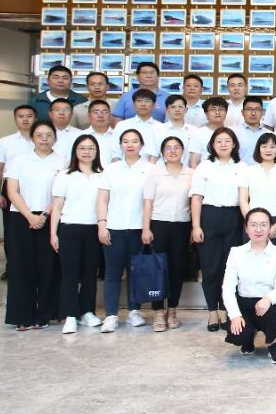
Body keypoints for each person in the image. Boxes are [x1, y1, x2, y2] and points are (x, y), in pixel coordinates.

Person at [3, 120, 65, 330]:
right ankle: (22, 315)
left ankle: (45, 314)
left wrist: (44, 214)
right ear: (32, 138)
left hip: (51, 217)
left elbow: (60, 194)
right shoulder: (18, 160)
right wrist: (30, 216)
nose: (44, 139)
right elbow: (12, 191)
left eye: (49, 135)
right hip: (21, 217)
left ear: (55, 137)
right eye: (39, 135)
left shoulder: (63, 161)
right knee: (21, 267)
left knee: (49, 267)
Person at [97, 129, 156, 331]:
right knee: (112, 273)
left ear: (142, 145)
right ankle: (111, 315)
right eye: (126, 141)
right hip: (114, 227)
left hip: (138, 228)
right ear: (120, 145)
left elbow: (149, 201)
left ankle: (134, 311)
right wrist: (102, 224)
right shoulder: (111, 169)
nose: (130, 145)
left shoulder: (150, 169)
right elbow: (103, 199)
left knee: (136, 272)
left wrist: (147, 228)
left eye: (135, 141)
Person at [190, 127, 246, 332]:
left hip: (233, 218)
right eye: (219, 141)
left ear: (234, 144)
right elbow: (196, 198)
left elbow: (244, 198)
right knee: (210, 267)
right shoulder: (204, 167)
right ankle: (212, 311)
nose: (223, 144)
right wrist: (196, 226)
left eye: (227, 141)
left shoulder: (241, 167)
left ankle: (225, 309)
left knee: (229, 267)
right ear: (212, 145)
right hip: (209, 217)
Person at [50, 135, 105, 333]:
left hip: (94, 230)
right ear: (75, 151)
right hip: (69, 228)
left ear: (96, 151)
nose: (86, 152)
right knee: (70, 274)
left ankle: (87, 312)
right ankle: (70, 315)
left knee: (90, 273)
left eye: (91, 148)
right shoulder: (65, 175)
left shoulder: (103, 175)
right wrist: (53, 233)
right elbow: (57, 206)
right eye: (82, 148)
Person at [222, 208, 276, 364]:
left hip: (268, 303)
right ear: (246, 228)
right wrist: (235, 315)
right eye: (253, 225)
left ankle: (273, 343)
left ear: (270, 227)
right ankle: (248, 337)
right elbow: (227, 288)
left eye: (263, 225)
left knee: (273, 313)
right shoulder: (236, 253)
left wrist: (268, 299)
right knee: (238, 335)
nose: (258, 229)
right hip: (244, 303)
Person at [141, 135, 194, 331]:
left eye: (177, 147)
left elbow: (193, 202)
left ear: (183, 151)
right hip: (158, 225)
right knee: (157, 270)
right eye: (168, 148)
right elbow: (147, 202)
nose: (173, 151)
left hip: (182, 225)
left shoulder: (191, 173)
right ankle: (157, 312)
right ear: (162, 152)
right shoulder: (154, 172)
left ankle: (172, 311)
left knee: (177, 270)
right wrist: (146, 228)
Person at [0, 104, 37, 279]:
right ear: (15, 119)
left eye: (29, 116)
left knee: (37, 228)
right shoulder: (5, 142)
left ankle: (35, 266)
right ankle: (12, 267)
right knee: (12, 231)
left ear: (35, 118)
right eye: (21, 116)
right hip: (11, 188)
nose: (25, 119)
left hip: (37, 189)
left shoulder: (42, 139)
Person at [238, 132, 276, 243]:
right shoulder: (248, 171)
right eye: (264, 146)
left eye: (272, 147)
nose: (268, 150)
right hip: (252, 219)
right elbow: (243, 200)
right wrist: (251, 222)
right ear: (258, 149)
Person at [151, 94, 198, 162]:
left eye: (180, 107)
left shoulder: (194, 131)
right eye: (173, 107)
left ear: (186, 109)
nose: (177, 110)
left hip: (186, 168)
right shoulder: (158, 130)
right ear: (167, 110)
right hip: (162, 168)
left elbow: (196, 156)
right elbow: (153, 156)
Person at [188, 96, 229, 168]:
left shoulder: (232, 132)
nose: (217, 112)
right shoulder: (198, 133)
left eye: (221, 109)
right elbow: (193, 163)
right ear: (206, 113)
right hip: (205, 173)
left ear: (226, 112)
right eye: (213, 109)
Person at [234, 96, 267, 165]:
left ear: (263, 112)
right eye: (249, 109)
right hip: (240, 171)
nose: (253, 113)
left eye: (257, 109)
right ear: (242, 112)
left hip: (263, 171)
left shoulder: (269, 134)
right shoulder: (234, 133)